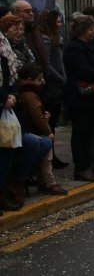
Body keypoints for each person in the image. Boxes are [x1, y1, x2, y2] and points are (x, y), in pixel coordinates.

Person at [63, 13, 94, 182]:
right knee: (81, 134)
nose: (93, 31)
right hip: (80, 97)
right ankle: (81, 167)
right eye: (90, 29)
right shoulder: (73, 48)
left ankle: (90, 163)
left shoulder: (90, 46)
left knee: (92, 133)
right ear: (82, 30)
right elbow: (84, 70)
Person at [15, 62, 67, 196]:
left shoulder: (27, 92)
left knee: (44, 147)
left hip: (29, 128)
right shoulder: (30, 93)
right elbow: (37, 114)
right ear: (30, 80)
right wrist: (48, 131)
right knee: (45, 146)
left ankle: (44, 181)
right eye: (39, 79)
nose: (42, 82)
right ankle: (46, 181)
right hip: (30, 129)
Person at [37, 9, 68, 169]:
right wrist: (61, 78)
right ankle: (49, 157)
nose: (60, 24)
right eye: (57, 21)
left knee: (53, 123)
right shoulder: (47, 41)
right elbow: (47, 64)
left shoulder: (54, 39)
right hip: (52, 89)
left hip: (57, 87)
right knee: (50, 123)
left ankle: (52, 156)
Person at [0, 27, 21, 213]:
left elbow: (10, 74)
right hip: (2, 100)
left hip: (6, 104)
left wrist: (12, 94)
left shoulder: (3, 41)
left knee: (7, 149)